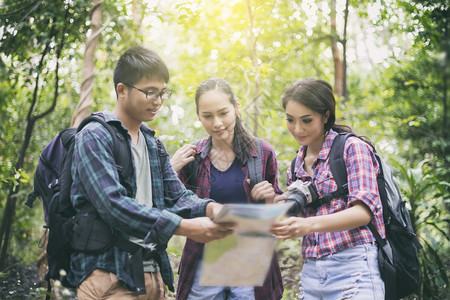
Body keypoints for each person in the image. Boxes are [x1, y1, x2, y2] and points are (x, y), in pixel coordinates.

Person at [67, 46, 233, 300]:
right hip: (108, 275)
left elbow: (177, 197)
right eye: (149, 92)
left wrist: (212, 209)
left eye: (162, 93)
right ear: (122, 90)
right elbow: (114, 205)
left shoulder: (152, 144)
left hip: (151, 272)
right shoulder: (95, 136)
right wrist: (185, 227)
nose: (157, 101)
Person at [270, 78, 385, 299]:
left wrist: (307, 224)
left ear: (325, 116)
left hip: (353, 268)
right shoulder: (296, 165)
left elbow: (363, 213)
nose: (297, 129)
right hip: (312, 274)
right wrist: (282, 209)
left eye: (306, 120)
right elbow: (308, 217)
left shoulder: (352, 148)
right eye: (290, 120)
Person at [172, 77, 284, 300]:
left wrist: (270, 200)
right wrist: (171, 170)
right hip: (202, 263)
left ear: (237, 107)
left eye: (223, 113)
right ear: (198, 115)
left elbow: (279, 217)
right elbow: (175, 207)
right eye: (207, 116)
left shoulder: (262, 152)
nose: (217, 123)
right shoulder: (193, 158)